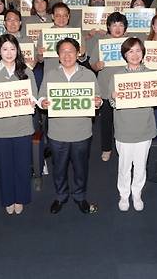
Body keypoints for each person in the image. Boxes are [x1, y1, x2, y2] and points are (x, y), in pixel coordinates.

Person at [39, 38, 102, 214]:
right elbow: (41, 96)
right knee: (59, 168)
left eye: (71, 51)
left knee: (80, 168)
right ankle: (61, 196)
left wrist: (97, 102)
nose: (67, 55)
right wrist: (43, 102)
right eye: (63, 52)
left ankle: (80, 197)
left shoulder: (88, 74)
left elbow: (97, 98)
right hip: (57, 133)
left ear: (78, 53)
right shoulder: (51, 74)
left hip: (81, 132)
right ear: (58, 55)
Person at [0, 34, 38, 215]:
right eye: (5, 49)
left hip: (22, 126)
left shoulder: (26, 71)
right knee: (5, 166)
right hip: (0, 129)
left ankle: (21, 197)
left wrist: (32, 101)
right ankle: (8, 198)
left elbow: (34, 96)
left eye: (12, 49)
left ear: (18, 51)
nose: (9, 53)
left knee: (22, 165)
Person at [107, 38, 157, 212]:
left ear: (143, 53)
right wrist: (114, 97)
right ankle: (124, 194)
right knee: (124, 166)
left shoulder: (152, 75)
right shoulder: (117, 76)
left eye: (138, 50)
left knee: (140, 165)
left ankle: (137, 193)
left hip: (145, 128)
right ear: (124, 54)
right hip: (124, 129)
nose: (135, 55)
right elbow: (112, 104)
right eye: (130, 51)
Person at [88, 12, 129, 161]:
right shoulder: (101, 42)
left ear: (125, 28)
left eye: (121, 25)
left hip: (125, 88)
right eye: (114, 25)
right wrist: (96, 66)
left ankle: (124, 147)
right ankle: (106, 148)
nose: (117, 28)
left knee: (125, 121)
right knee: (106, 121)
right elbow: (92, 63)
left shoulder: (130, 43)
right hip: (105, 88)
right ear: (108, 27)